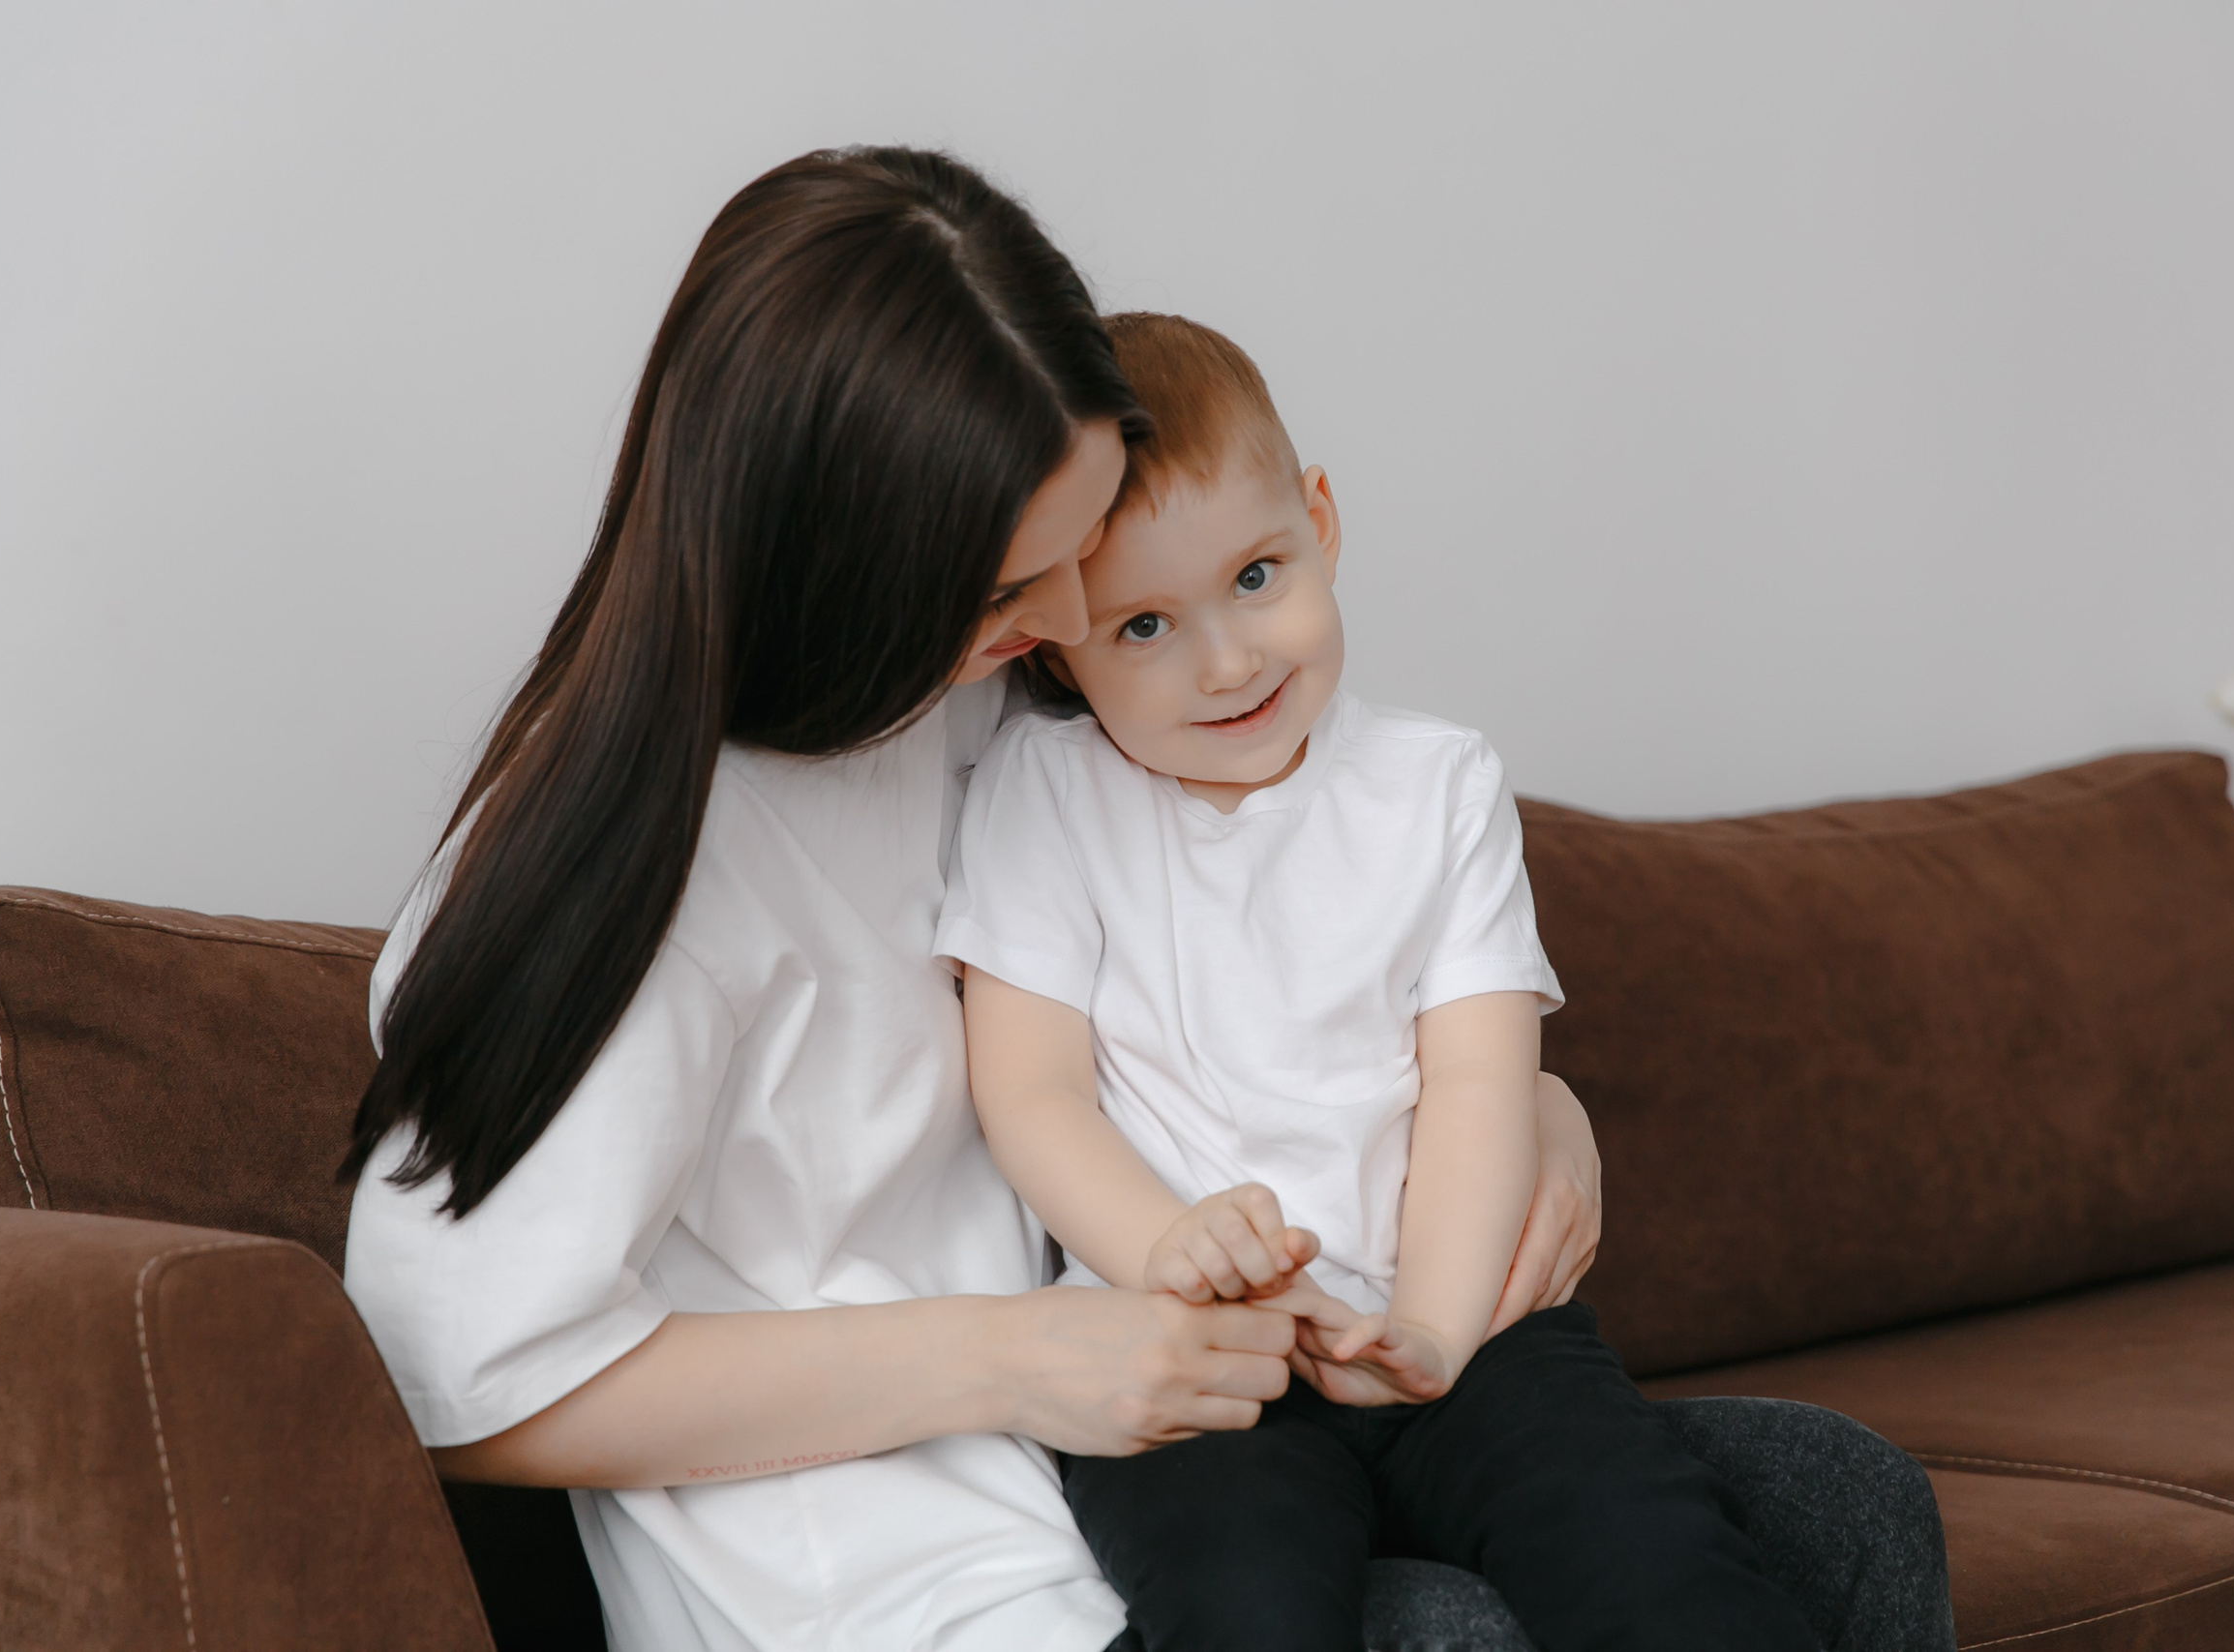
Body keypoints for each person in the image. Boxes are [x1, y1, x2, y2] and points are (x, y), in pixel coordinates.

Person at [339, 147, 1950, 1652]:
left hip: (1198, 1407)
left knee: (1844, 1504)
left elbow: (1274, 934)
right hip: (936, 1566)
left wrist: (1536, 1114)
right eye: (1005, 589)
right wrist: (1020, 1354)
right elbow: (469, 1385)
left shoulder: (971, 711)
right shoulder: (618, 873)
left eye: (1073, 561)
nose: (1060, 626)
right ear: (841, 564)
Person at [941, 313, 1819, 1651]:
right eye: (1143, 626)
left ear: (1322, 522)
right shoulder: (1041, 798)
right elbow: (1034, 1093)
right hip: (1187, 1352)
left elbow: (1481, 1082)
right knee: (1241, 1612)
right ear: (1059, 646)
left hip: (1459, 1331)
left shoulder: (1440, 787)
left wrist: (1440, 1328)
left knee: (1661, 1572)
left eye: (1254, 576)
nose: (1227, 661)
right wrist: (1169, 1255)